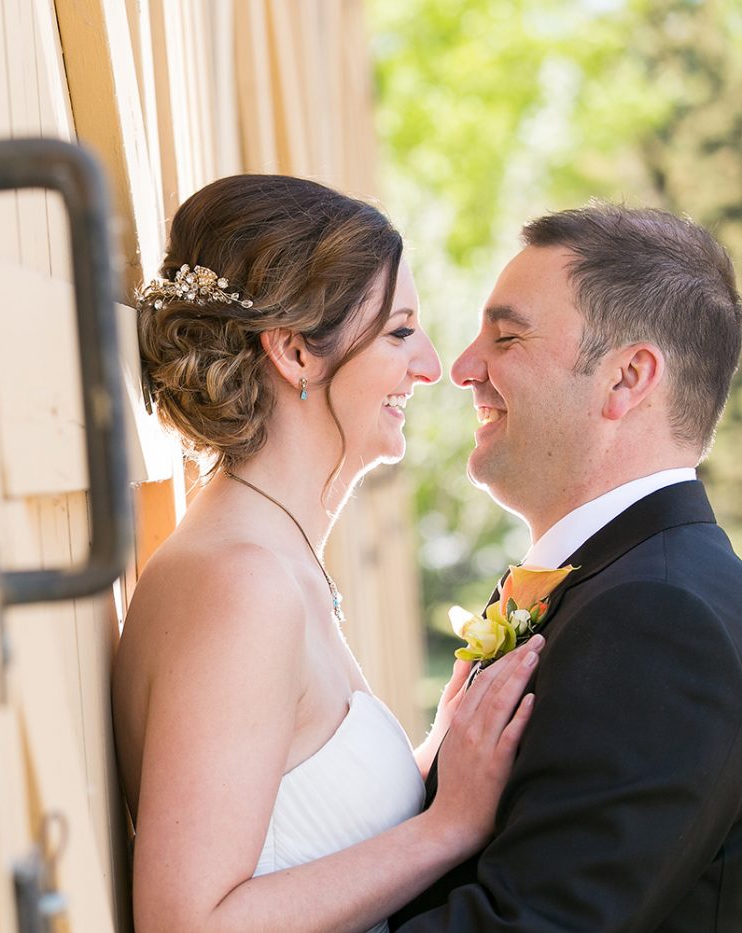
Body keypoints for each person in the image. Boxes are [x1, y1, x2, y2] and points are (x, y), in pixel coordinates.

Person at [112, 174, 541, 933]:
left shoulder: (278, 557)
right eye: (400, 331)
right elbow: (188, 922)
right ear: (295, 352)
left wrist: (439, 745)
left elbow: (296, 833)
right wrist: (447, 827)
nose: (432, 365)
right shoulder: (239, 586)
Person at [392, 205, 742, 931]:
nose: (461, 369)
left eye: (507, 336)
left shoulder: (659, 620)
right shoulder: (614, 584)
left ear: (627, 378)